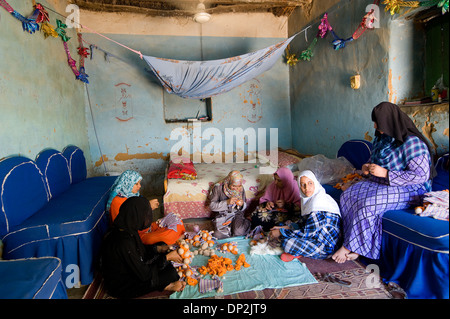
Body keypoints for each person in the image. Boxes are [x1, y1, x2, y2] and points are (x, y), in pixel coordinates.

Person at [332, 102, 435, 263]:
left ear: (390, 121)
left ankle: (350, 247)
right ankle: (354, 243)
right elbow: (373, 161)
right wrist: (367, 167)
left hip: (411, 188)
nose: (375, 126)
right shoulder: (382, 138)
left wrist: (387, 173)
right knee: (349, 195)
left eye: (378, 123)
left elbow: (421, 175)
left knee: (369, 204)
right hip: (382, 183)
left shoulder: (412, 143)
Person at [101, 196, 186, 298]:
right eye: (145, 215)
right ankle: (167, 286)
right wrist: (167, 258)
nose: (147, 218)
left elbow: (140, 250)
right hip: (122, 285)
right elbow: (145, 275)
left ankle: (165, 273)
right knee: (171, 274)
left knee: (162, 245)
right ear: (136, 216)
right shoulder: (123, 242)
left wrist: (160, 249)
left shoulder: (127, 228)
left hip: (133, 267)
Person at [269, 170, 341, 261]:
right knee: (282, 226)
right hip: (314, 236)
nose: (306, 188)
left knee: (287, 243)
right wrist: (284, 228)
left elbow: (307, 233)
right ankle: (298, 252)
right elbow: (304, 224)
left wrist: (281, 232)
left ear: (315, 183)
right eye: (303, 185)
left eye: (310, 183)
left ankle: (299, 253)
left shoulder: (319, 202)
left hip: (326, 247)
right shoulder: (309, 200)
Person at [107, 169, 185, 246]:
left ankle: (171, 238)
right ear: (127, 184)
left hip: (146, 228)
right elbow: (125, 228)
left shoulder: (133, 196)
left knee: (177, 220)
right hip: (136, 235)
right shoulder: (116, 202)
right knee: (159, 238)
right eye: (136, 184)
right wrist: (148, 208)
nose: (140, 186)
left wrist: (147, 208)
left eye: (139, 183)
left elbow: (141, 218)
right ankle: (172, 239)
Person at [209, 170, 251, 239]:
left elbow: (243, 206)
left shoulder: (240, 188)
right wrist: (226, 202)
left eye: (239, 186)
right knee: (218, 235)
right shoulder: (218, 187)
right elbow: (212, 206)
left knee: (239, 231)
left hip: (236, 214)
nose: (237, 189)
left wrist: (242, 204)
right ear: (229, 182)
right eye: (234, 186)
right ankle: (230, 229)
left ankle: (247, 222)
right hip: (222, 215)